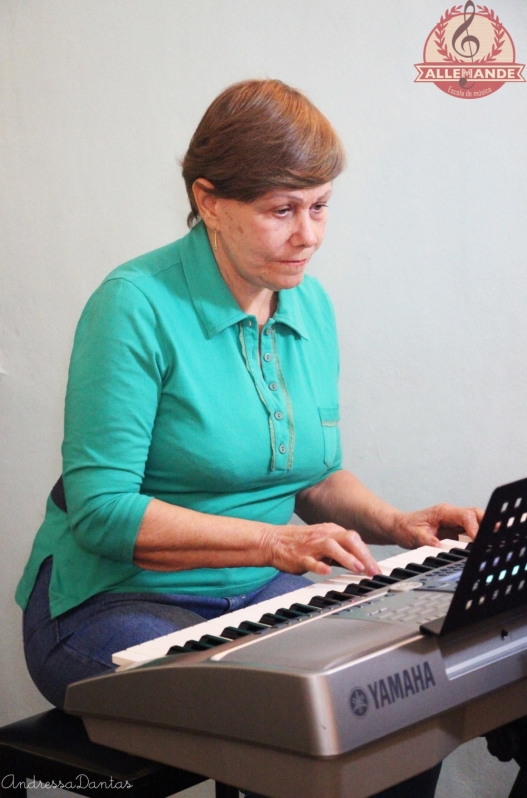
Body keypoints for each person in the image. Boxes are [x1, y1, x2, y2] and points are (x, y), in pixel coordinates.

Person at [16, 79, 481, 798]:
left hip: (257, 594)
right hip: (114, 602)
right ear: (208, 202)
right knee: (296, 726)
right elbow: (102, 511)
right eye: (281, 210)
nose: (308, 234)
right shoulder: (133, 305)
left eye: (320, 206)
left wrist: (395, 522)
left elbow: (309, 474)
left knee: (396, 707)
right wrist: (274, 545)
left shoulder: (307, 302)